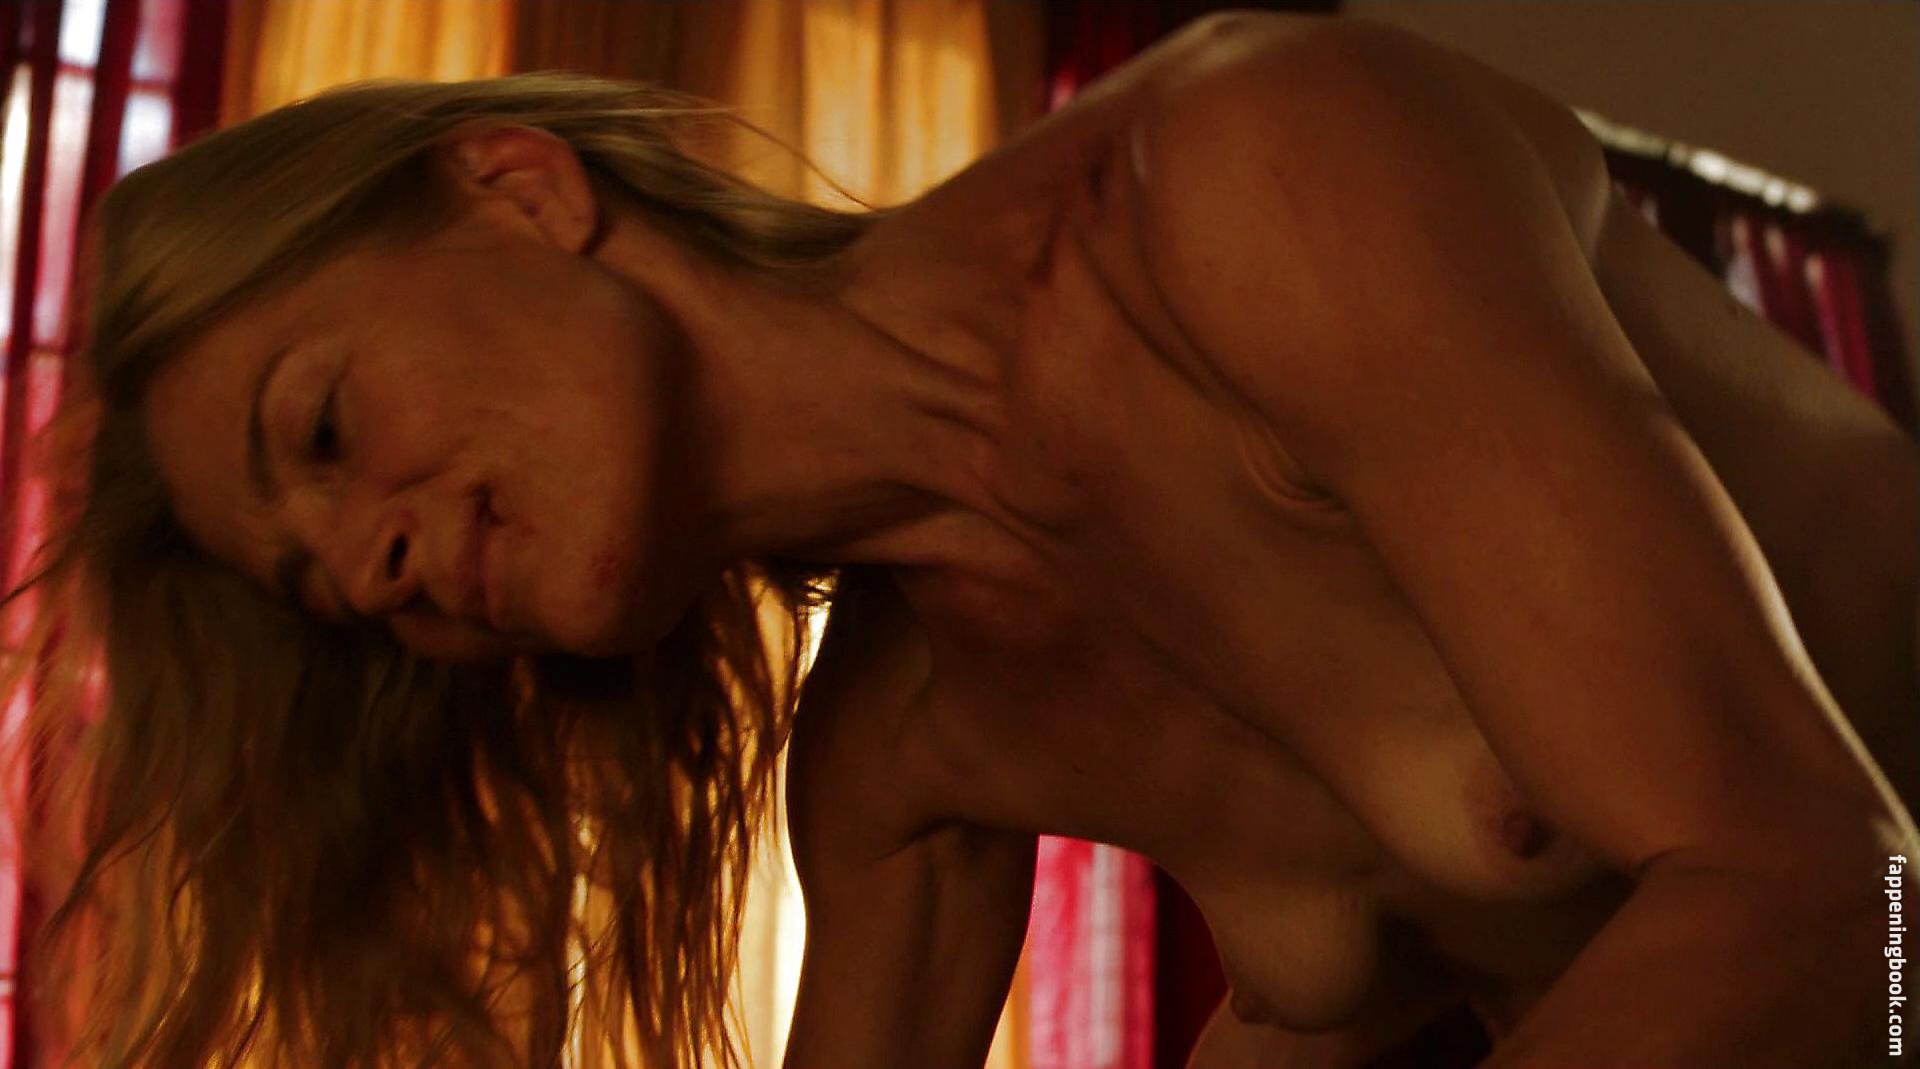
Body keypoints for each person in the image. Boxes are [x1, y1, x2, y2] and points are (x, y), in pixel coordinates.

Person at [4, 10, 1914, 1069]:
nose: (376, 571)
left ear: (515, 189)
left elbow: (1847, 891)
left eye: (325, 434)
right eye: (327, 592)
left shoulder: (1250, 180)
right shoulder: (904, 755)